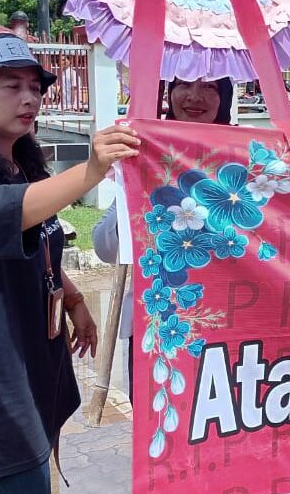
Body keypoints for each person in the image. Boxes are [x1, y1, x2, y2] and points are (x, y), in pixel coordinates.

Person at [0, 33, 139, 493]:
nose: (29, 98)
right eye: (12, 86)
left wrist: (72, 296)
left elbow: (40, 239)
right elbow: (1, 210)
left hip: (26, 363)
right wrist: (91, 171)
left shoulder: (19, 160)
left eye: (35, 87)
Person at [94, 76, 236, 401]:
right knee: (158, 425)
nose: (195, 96)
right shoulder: (143, 154)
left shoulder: (241, 158)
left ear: (225, 96)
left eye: (211, 87)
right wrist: (135, 189)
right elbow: (105, 247)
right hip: (156, 327)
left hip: (228, 325)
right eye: (184, 83)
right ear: (168, 92)